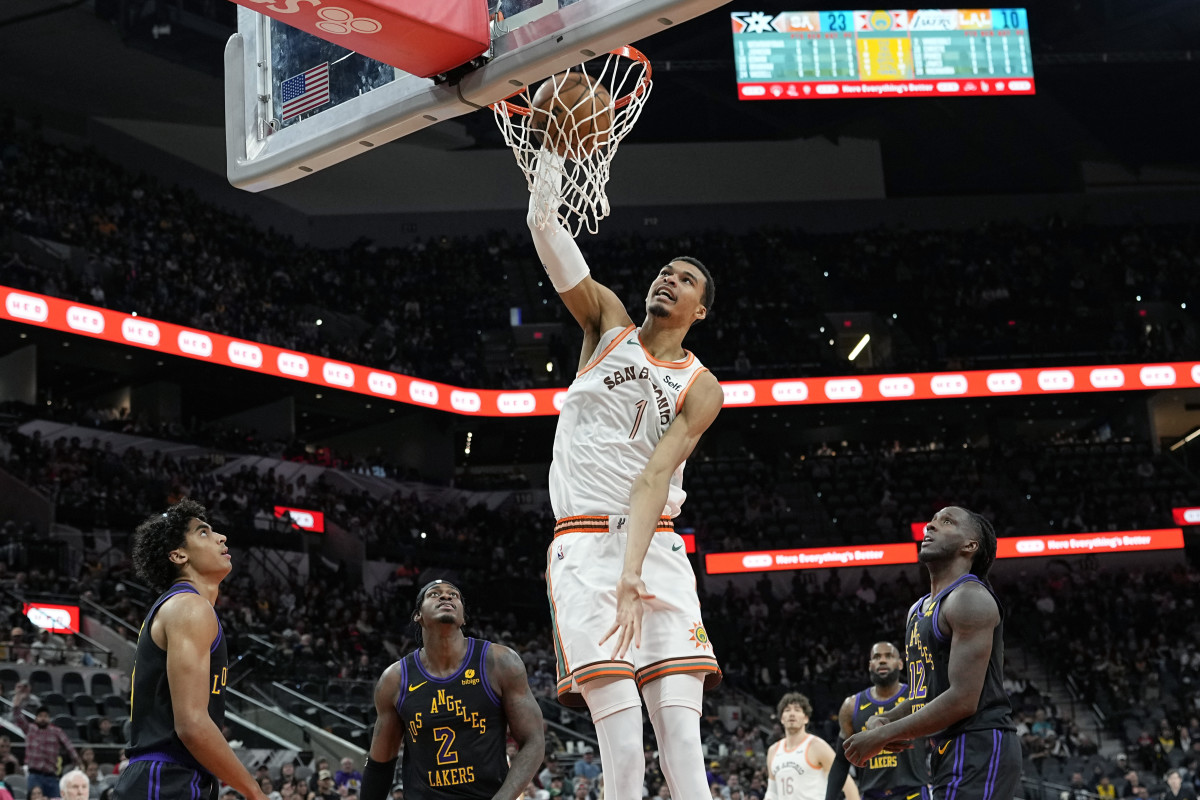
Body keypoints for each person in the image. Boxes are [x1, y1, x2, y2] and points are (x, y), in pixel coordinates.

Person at [527, 151, 723, 800]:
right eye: (666, 271)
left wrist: (636, 569)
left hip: (656, 550)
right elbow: (545, 226)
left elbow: (655, 475)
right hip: (585, 549)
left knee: (683, 751)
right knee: (623, 754)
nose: (670, 279)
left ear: (700, 310)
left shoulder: (702, 386)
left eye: (686, 279)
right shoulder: (606, 324)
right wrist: (551, 155)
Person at [844, 507, 1021, 800]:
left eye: (947, 521)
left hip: (980, 744)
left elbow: (963, 700)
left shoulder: (970, 598)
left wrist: (883, 735)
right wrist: (886, 719)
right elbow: (922, 696)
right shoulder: (918, 609)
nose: (930, 525)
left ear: (970, 546)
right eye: (933, 520)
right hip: (947, 749)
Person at [113, 499, 268, 800]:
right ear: (178, 554)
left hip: (171, 779)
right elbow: (192, 725)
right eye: (204, 533)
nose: (221, 537)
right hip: (165, 781)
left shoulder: (181, 607)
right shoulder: (190, 608)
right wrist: (255, 793)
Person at [360, 579, 544, 800]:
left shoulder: (500, 662)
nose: (446, 596)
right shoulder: (395, 679)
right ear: (418, 615)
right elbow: (380, 764)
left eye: (453, 595)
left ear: (463, 617)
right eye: (435, 594)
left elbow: (533, 740)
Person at [825, 642, 929, 800]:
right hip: (871, 795)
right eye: (876, 657)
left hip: (913, 793)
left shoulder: (916, 697)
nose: (882, 661)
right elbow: (841, 760)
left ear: (900, 664)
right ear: (869, 665)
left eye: (889, 656)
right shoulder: (851, 706)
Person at [765, 693, 859, 800]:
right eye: (787, 710)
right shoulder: (773, 751)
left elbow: (847, 783)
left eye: (797, 710)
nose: (792, 714)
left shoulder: (817, 746)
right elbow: (772, 792)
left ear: (806, 718)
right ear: (781, 718)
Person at [11, 681, 82, 799]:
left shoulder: (56, 731)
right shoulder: (30, 729)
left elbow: (69, 746)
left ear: (49, 719)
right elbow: (17, 715)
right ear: (36, 718)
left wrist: (77, 761)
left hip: (51, 776)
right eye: (40, 716)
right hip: (34, 775)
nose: (43, 719)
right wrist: (17, 699)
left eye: (46, 716)